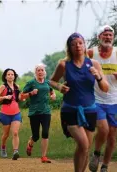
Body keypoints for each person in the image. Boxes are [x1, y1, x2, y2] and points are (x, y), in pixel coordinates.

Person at [50, 32, 109, 172]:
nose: (77, 46)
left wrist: (98, 77)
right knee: (83, 144)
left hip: (89, 110)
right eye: (73, 44)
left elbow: (105, 88)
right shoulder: (64, 65)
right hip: (70, 109)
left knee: (86, 148)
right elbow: (52, 81)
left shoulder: (93, 64)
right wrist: (60, 87)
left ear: (84, 45)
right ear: (69, 48)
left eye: (80, 43)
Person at [88, 25, 117, 172]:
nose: (108, 37)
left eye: (110, 35)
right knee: (103, 129)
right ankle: (96, 153)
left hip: (114, 100)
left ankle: (105, 165)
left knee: (112, 134)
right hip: (96, 99)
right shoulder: (91, 53)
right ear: (99, 37)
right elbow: (78, 65)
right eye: (105, 35)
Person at [19, 64, 56, 163]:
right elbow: (21, 97)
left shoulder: (47, 82)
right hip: (34, 112)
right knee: (36, 136)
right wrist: (31, 93)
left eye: (42, 70)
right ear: (35, 72)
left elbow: (52, 92)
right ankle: (30, 143)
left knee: (45, 133)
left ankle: (43, 156)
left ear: (45, 72)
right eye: (38, 70)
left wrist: (53, 96)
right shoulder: (31, 83)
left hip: (46, 111)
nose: (40, 72)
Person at [0, 68, 22, 160]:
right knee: (6, 134)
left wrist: (23, 97)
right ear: (5, 76)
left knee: (15, 132)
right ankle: (3, 148)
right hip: (5, 113)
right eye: (8, 74)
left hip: (16, 112)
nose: (10, 76)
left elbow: (18, 98)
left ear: (14, 76)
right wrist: (5, 97)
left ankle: (15, 151)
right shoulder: (2, 87)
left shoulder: (17, 86)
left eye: (12, 74)